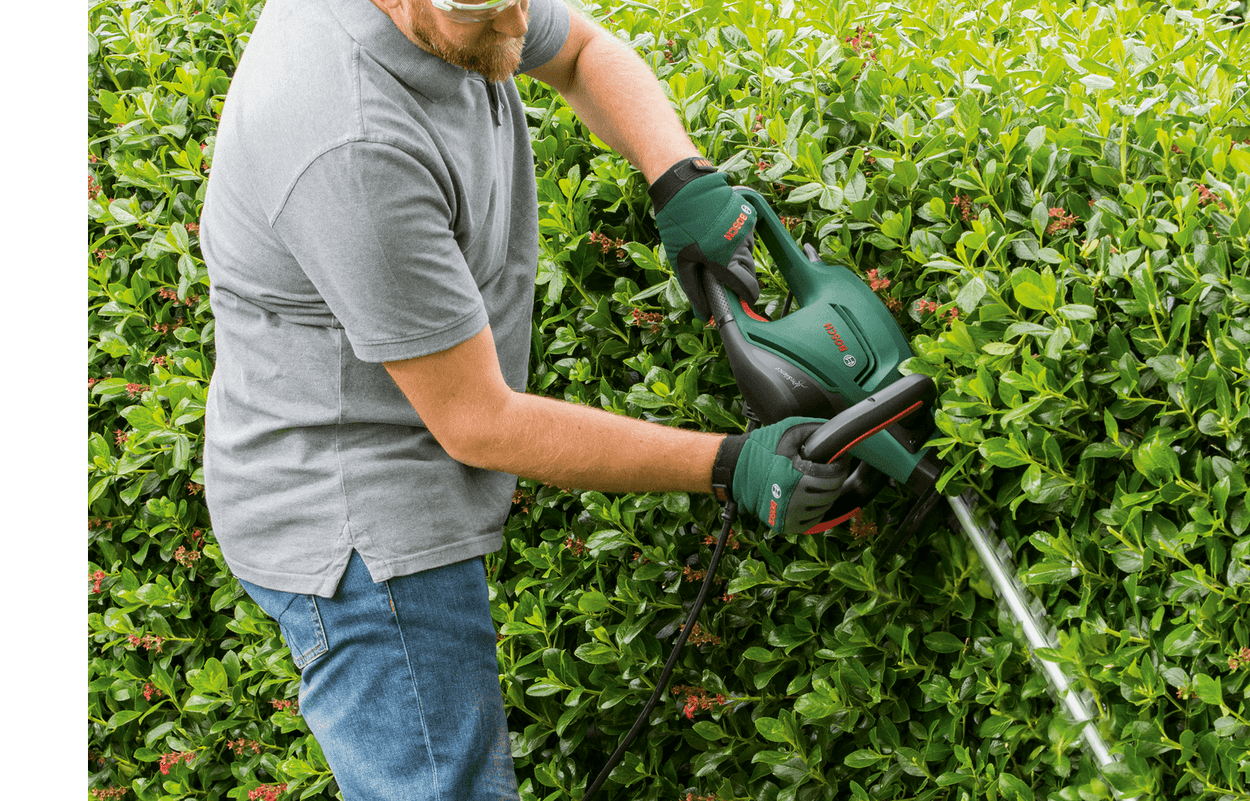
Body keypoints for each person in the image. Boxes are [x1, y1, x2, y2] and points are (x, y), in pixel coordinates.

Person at [197, 1, 852, 797]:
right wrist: (731, 464)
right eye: (484, 8)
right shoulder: (350, 145)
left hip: (409, 455)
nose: (517, 19)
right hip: (360, 522)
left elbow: (579, 52)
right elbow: (479, 420)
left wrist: (678, 175)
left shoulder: (462, 9)